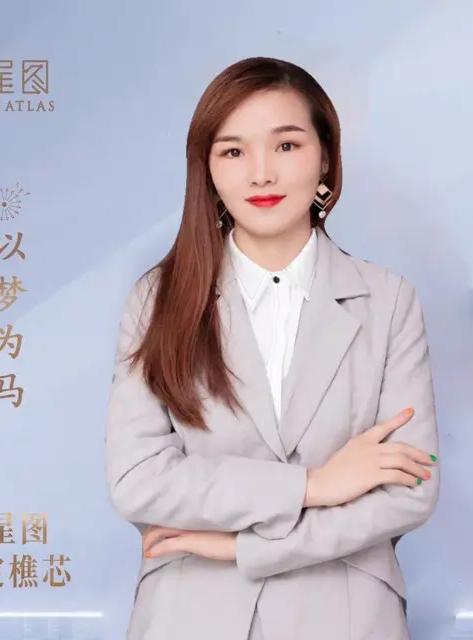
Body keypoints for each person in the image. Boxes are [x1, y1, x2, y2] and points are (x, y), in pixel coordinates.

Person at [104, 56, 440, 640]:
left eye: (286, 145)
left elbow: (409, 493)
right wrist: (314, 486)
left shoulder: (388, 300)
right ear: (207, 169)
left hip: (348, 615)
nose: (261, 174)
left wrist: (244, 547)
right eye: (233, 151)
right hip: (190, 614)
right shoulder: (157, 300)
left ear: (325, 156)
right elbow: (139, 480)